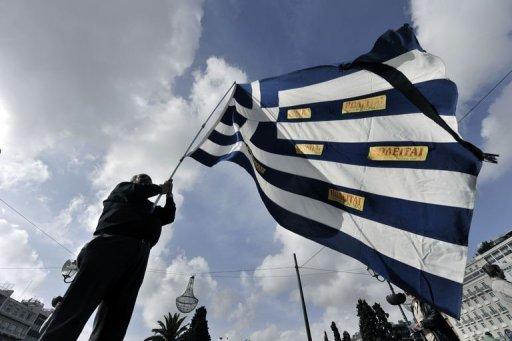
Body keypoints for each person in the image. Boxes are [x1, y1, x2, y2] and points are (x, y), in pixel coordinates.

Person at [39, 174, 176, 341]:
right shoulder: (123, 189)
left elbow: (168, 216)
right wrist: (160, 188)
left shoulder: (152, 208)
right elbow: (136, 191)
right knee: (79, 304)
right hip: (110, 244)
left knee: (117, 315)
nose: (146, 182)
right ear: (134, 182)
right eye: (142, 180)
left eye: (149, 181)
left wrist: (169, 195)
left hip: (139, 255)